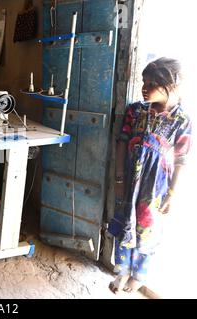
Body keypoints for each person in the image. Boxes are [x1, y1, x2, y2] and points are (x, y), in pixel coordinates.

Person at [108, 57, 192, 294]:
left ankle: (139, 276)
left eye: (151, 83)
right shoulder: (135, 111)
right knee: (124, 222)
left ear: (171, 86)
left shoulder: (182, 121)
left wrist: (172, 194)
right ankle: (122, 271)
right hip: (129, 180)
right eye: (143, 82)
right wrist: (119, 178)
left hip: (156, 187)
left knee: (147, 231)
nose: (144, 88)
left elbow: (181, 161)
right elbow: (122, 143)